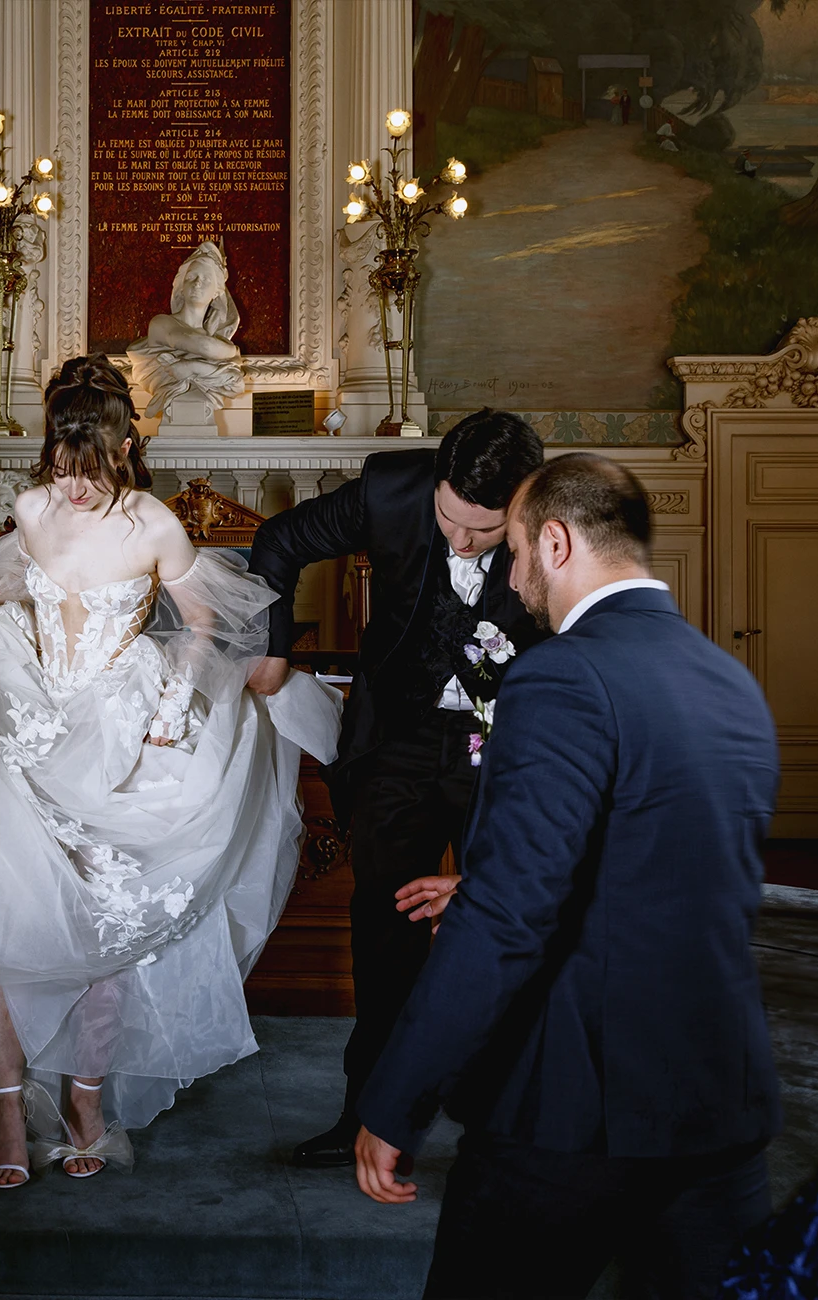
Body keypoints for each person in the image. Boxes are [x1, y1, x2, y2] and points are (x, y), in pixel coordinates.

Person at [0, 355, 338, 1188]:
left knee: (106, 934)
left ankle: (84, 1103)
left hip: (120, 732)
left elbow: (204, 623)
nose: (74, 483)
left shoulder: (153, 523)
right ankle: (8, 1112)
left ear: (119, 446)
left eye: (91, 462)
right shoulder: (32, 506)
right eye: (64, 460)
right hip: (28, 727)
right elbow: (7, 587)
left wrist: (170, 712)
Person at [354, 453, 782, 1300]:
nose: (511, 581)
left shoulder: (559, 676)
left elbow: (511, 923)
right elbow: (663, 865)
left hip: (573, 1107)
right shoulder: (731, 683)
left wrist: (395, 1098)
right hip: (717, 1101)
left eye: (513, 552)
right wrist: (481, 885)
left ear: (555, 542)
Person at [247, 409, 545, 1170]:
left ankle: (514, 1130)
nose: (460, 540)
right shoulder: (391, 490)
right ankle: (372, 1123)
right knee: (385, 936)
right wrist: (276, 653)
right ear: (435, 485)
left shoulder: (557, 519)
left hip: (504, 750)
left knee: (511, 933)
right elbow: (278, 541)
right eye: (450, 519)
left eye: (483, 532)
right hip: (400, 746)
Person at [126, 240, 245, 419]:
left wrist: (191, 366)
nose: (197, 283)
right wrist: (230, 353)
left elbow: (237, 384)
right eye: (191, 277)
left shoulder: (219, 345)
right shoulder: (161, 324)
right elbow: (203, 347)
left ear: (216, 292)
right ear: (181, 286)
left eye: (206, 279)